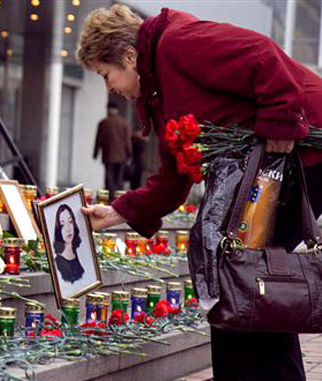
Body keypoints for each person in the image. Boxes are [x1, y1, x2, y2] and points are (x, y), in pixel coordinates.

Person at [77, 5, 322, 381]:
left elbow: (262, 55)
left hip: (303, 157)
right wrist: (118, 212)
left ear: (128, 57)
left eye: (105, 74)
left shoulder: (179, 44)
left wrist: (279, 121)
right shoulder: (159, 90)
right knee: (243, 280)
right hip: (276, 167)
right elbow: (175, 175)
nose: (109, 87)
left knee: (243, 277)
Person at [93, 102, 132, 200]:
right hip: (121, 155)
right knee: (119, 178)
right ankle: (118, 198)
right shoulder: (124, 123)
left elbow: (98, 139)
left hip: (108, 154)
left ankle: (110, 197)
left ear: (108, 109)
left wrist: (96, 153)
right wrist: (129, 153)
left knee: (109, 177)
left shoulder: (103, 123)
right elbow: (127, 140)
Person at [53, 204, 85, 284]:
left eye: (70, 222)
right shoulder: (58, 262)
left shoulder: (82, 255)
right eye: (62, 225)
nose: (68, 229)